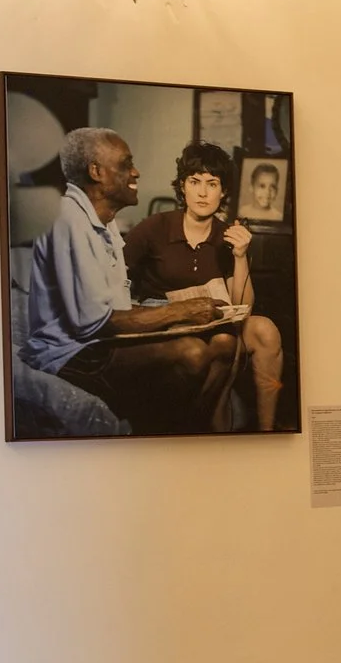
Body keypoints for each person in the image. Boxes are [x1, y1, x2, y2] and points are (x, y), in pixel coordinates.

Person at [22, 128, 239, 435]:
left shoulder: (105, 220)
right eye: (126, 164)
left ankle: (179, 432)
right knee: (191, 354)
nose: (136, 172)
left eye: (212, 184)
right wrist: (181, 311)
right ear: (96, 172)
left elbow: (117, 303)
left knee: (219, 346)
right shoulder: (68, 220)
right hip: (70, 353)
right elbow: (93, 323)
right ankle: (168, 436)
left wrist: (175, 316)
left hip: (101, 341)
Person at [123, 142, 288, 432]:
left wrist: (240, 257)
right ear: (182, 187)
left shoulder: (229, 235)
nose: (202, 193)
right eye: (194, 182)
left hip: (215, 324)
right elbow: (114, 279)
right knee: (219, 344)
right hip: (166, 326)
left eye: (212, 184)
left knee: (265, 331)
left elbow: (243, 308)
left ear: (223, 192)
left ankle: (268, 431)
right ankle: (202, 420)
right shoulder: (154, 227)